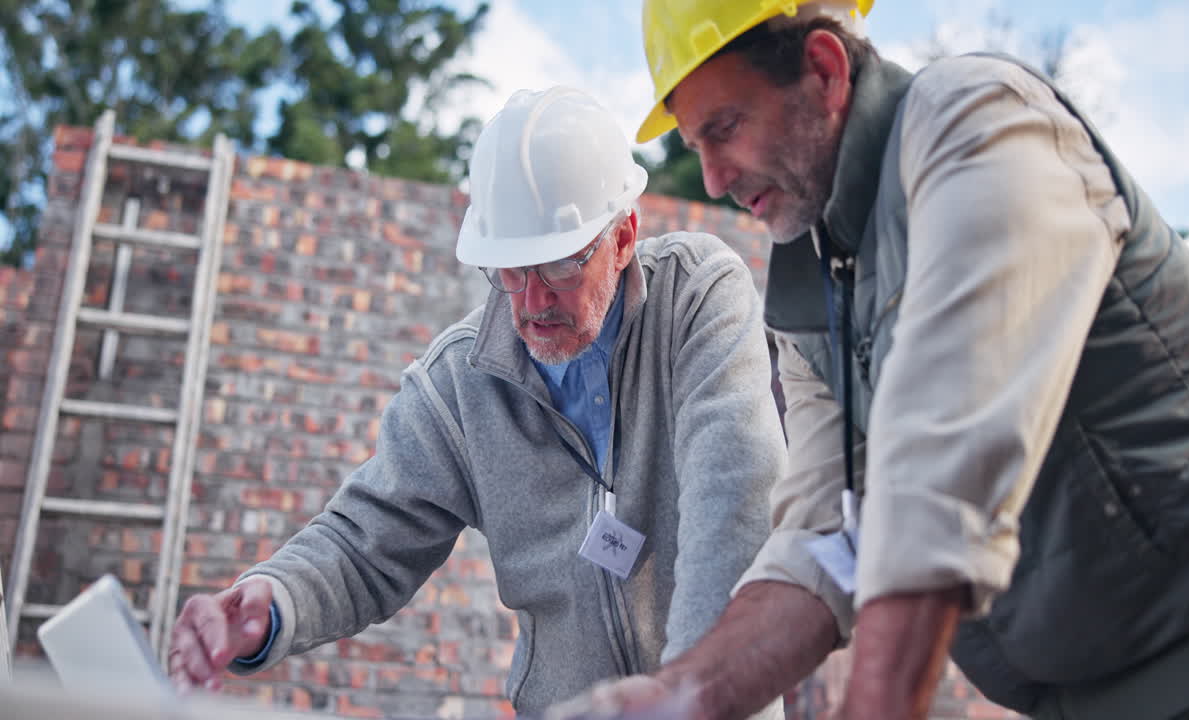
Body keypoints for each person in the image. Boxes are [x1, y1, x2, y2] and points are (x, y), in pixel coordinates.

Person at [557, 1, 1189, 719]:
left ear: (824, 69)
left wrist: (877, 701)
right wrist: (678, 697)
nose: (712, 179)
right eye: (695, 146)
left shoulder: (982, 125)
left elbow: (948, 449)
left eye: (726, 128)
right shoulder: (811, 281)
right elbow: (822, 539)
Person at [166, 86, 787, 718]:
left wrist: (693, 695)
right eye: (510, 272)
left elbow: (734, 494)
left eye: (561, 268)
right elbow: (362, 542)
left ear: (623, 236)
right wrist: (274, 600)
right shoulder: (458, 387)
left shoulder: (697, 297)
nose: (534, 301)